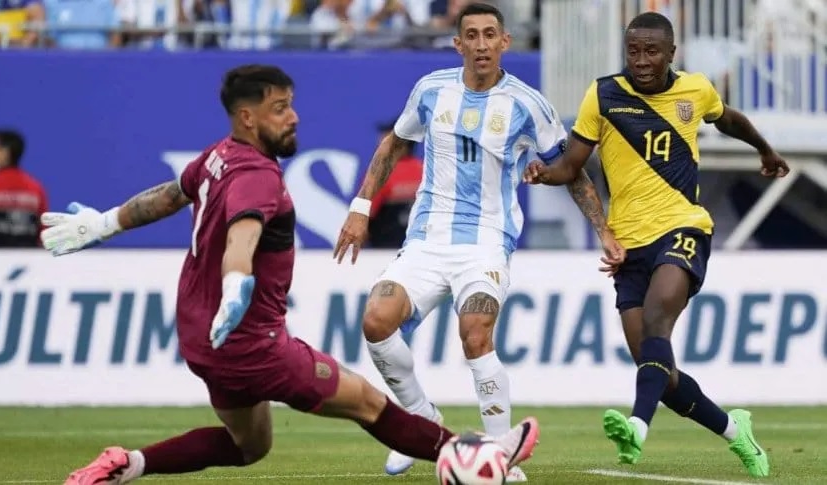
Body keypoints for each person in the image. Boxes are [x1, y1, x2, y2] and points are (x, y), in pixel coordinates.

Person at [40, 64, 538, 485]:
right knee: (369, 404)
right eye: (280, 108)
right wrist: (237, 284)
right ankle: (479, 457)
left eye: (291, 105)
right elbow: (242, 238)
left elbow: (169, 195)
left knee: (248, 445)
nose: (294, 116)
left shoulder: (217, 156)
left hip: (202, 341)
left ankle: (126, 465)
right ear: (248, 117)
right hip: (253, 347)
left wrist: (104, 223)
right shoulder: (259, 176)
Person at [333, 3, 622, 481]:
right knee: (375, 321)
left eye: (491, 34)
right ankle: (420, 419)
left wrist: (602, 230)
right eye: (472, 35)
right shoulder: (431, 90)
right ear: (458, 43)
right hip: (426, 240)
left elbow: (570, 168)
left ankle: (500, 453)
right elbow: (394, 144)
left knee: (475, 332)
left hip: (487, 242)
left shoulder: (528, 104)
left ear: (505, 42)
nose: (482, 44)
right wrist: (360, 208)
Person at [523, 11, 788, 478]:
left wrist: (764, 149)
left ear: (671, 53)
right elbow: (571, 166)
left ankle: (636, 428)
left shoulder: (695, 89)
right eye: (633, 51)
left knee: (656, 324)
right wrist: (544, 174)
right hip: (628, 246)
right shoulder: (603, 94)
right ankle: (736, 431)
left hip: (683, 228)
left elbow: (729, 119)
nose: (641, 61)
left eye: (651, 51)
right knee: (660, 373)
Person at [367, 117, 423, 248]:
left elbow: (365, 215)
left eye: (387, 137)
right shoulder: (426, 170)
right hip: (419, 248)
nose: (380, 141)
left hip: (385, 250)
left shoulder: (380, 173)